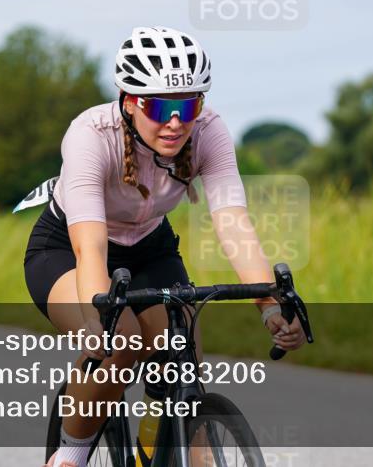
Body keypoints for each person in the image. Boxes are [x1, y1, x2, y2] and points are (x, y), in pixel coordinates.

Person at [23, 26, 304, 467]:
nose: (175, 122)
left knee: (181, 351)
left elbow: (233, 223)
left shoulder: (208, 131)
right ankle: (71, 455)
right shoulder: (90, 135)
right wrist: (100, 317)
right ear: (129, 101)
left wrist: (269, 304)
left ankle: (157, 451)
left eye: (187, 105)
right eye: (159, 106)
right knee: (123, 343)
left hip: (149, 246)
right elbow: (90, 247)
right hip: (68, 249)